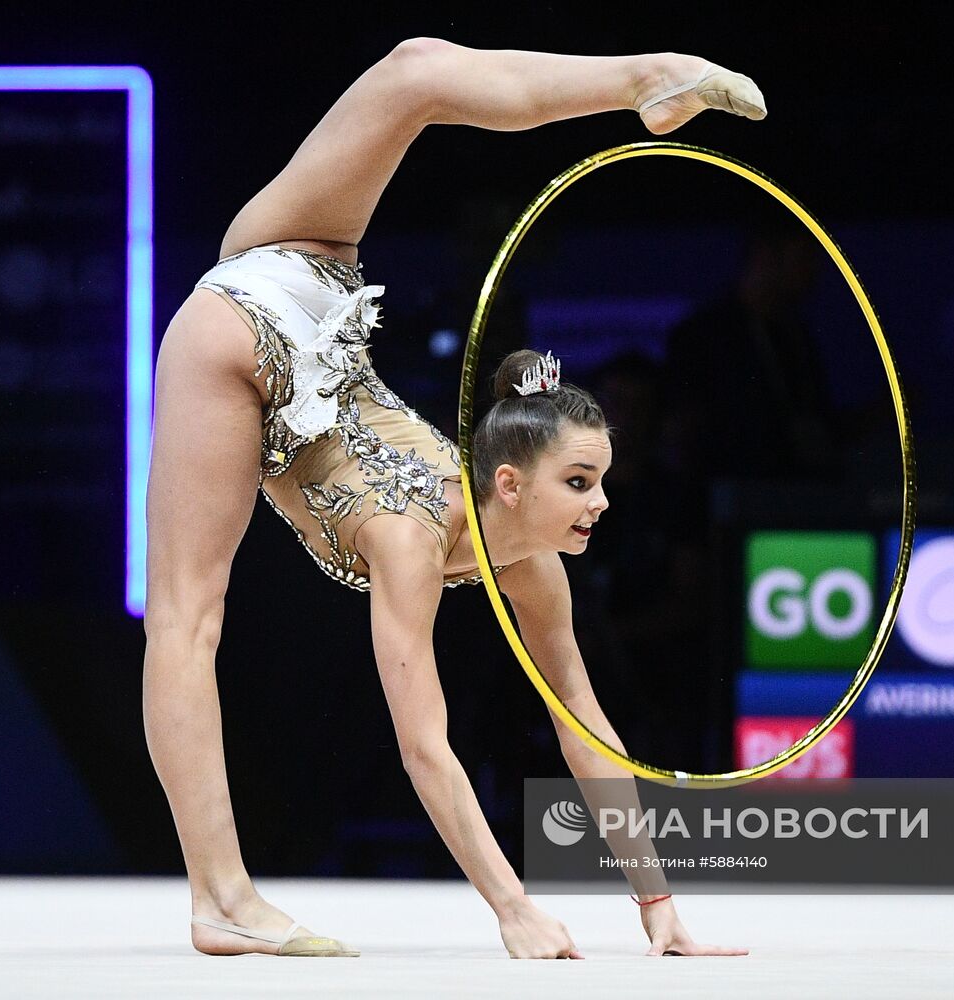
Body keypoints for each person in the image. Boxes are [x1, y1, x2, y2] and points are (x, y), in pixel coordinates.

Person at [142, 38, 764, 960]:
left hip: (289, 303)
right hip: (261, 308)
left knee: (416, 68)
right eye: (579, 483)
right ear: (508, 482)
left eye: (598, 480)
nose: (600, 504)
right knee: (185, 617)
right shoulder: (409, 541)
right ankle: (221, 895)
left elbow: (585, 726)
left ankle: (223, 899)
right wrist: (512, 906)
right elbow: (425, 749)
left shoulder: (531, 563)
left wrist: (656, 905)